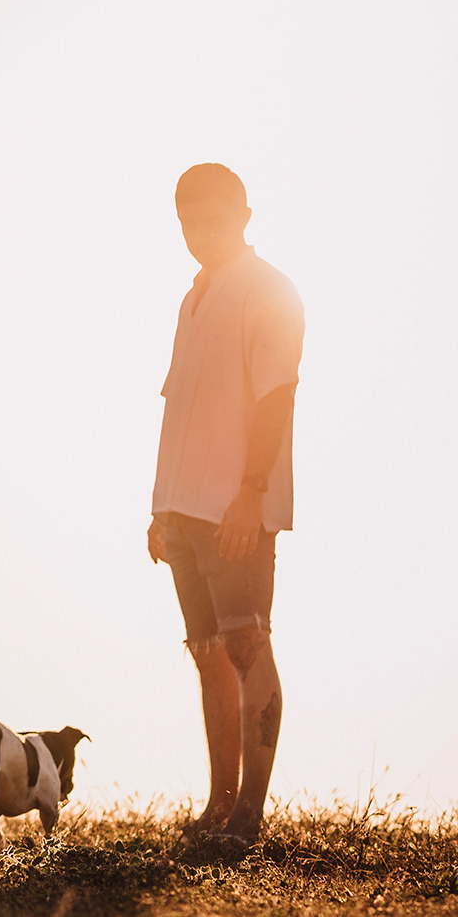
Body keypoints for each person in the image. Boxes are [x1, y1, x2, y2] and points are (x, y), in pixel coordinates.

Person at [146, 163, 303, 845]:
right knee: (207, 652)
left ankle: (249, 817)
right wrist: (161, 506)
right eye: (187, 219)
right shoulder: (194, 296)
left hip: (234, 507)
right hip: (182, 511)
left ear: (243, 212)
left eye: (211, 216)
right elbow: (179, 406)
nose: (198, 231)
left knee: (246, 644)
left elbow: (276, 396)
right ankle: (219, 804)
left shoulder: (266, 290)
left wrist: (252, 492)